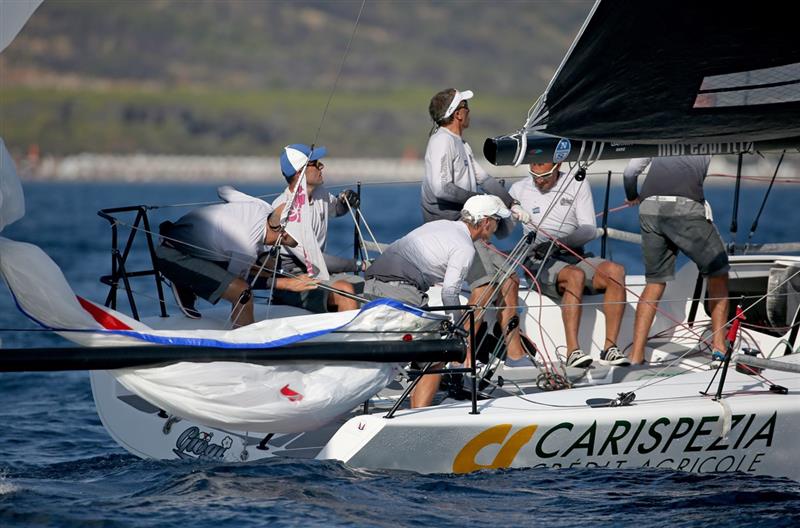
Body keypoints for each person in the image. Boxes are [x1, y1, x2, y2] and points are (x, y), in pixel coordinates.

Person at [364, 194, 513, 408]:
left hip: (371, 284)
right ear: (486, 222)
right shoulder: (465, 247)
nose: (497, 226)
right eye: (497, 221)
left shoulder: (443, 225)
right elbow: (450, 293)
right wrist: (457, 331)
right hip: (401, 292)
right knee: (436, 356)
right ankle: (420, 418)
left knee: (412, 354)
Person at [421, 88, 532, 365]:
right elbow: (440, 189)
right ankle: (463, 359)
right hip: (452, 231)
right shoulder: (441, 143)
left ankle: (516, 355)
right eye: (466, 108)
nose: (469, 112)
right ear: (457, 113)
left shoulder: (463, 145)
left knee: (510, 279)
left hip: (471, 229)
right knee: (483, 288)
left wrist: (512, 203)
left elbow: (484, 178)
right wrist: (481, 200)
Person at [509, 161, 628, 367]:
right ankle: (573, 351)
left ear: (558, 166)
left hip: (573, 255)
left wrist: (557, 243)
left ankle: (610, 348)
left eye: (545, 175)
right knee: (575, 276)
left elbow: (589, 230)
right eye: (534, 175)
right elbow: (502, 230)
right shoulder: (518, 189)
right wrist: (507, 208)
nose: (539, 181)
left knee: (615, 271)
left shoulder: (577, 184)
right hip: (539, 260)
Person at [623, 156, 729, 364]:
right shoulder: (708, 134)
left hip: (650, 208)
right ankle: (719, 346)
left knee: (654, 281)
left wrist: (632, 195)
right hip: (684, 208)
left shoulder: (663, 131)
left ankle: (636, 355)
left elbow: (630, 171)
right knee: (719, 271)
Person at [155, 196, 317, 328]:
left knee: (267, 265)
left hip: (184, 238)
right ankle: (246, 347)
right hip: (173, 255)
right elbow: (242, 282)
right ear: (284, 234)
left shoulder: (262, 208)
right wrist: (288, 284)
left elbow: (225, 191)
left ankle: (187, 282)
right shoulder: (245, 246)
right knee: (242, 292)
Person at [270, 143, 360, 313]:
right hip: (292, 279)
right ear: (299, 172)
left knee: (369, 284)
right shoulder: (286, 210)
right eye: (316, 163)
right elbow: (314, 260)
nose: (322, 166)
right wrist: (361, 265)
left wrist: (346, 201)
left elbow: (336, 210)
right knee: (345, 290)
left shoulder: (320, 193)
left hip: (317, 272)